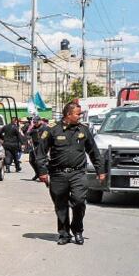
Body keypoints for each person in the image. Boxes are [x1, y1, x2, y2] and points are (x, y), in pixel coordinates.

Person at [35, 103, 107, 245]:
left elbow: (94, 151)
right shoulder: (52, 130)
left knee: (79, 201)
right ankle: (64, 234)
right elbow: (41, 152)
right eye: (77, 114)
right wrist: (42, 172)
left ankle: (78, 230)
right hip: (58, 174)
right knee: (61, 206)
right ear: (68, 114)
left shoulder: (83, 130)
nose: (80, 116)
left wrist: (100, 170)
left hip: (78, 173)